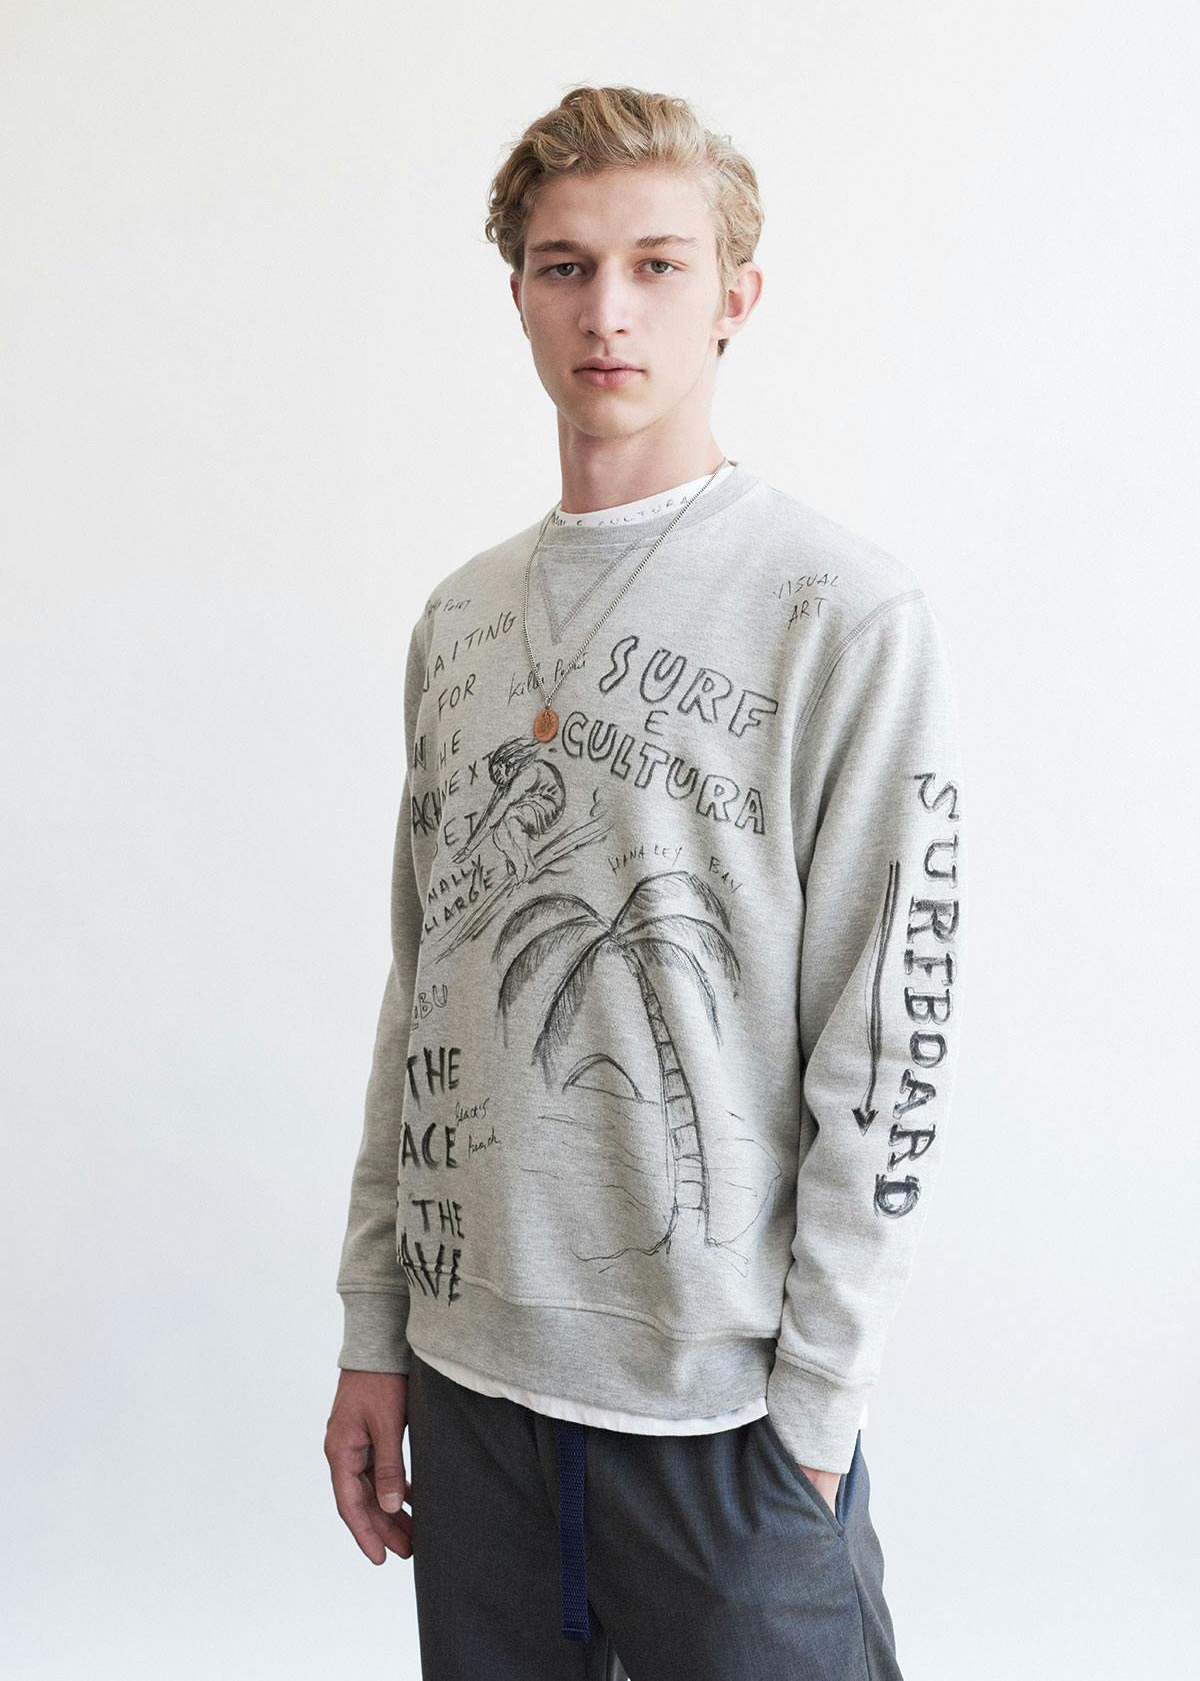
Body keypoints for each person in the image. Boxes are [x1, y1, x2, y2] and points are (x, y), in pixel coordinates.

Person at [324, 83, 966, 1681]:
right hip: (471, 1392)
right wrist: (374, 1328)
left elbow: (888, 1034)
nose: (606, 310)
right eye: (565, 266)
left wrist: (816, 1411)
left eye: (657, 265)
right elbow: (422, 990)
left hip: (726, 1423)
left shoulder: (841, 610)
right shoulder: (460, 619)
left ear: (736, 296)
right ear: (520, 294)